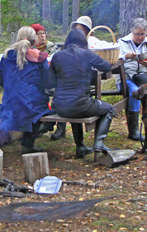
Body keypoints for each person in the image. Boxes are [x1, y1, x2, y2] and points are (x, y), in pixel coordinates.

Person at [48, 29, 115, 157]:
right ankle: (99, 144)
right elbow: (106, 66)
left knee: (74, 106)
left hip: (61, 106)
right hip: (81, 105)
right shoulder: (86, 54)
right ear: (83, 41)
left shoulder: (57, 56)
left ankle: (81, 148)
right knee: (108, 109)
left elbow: (50, 82)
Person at [0, 26, 53, 154]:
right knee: (45, 109)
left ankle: (12, 138)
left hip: (9, 104)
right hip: (31, 105)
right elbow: (47, 82)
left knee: (28, 105)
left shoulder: (6, 56)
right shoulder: (40, 58)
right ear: (34, 41)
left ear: (17, 39)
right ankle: (28, 143)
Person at [117, 18, 147, 141]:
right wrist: (125, 57)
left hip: (145, 79)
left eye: (142, 34)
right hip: (127, 78)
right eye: (137, 34)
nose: (140, 37)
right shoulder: (122, 43)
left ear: (146, 33)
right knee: (135, 92)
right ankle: (133, 131)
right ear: (131, 31)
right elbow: (113, 61)